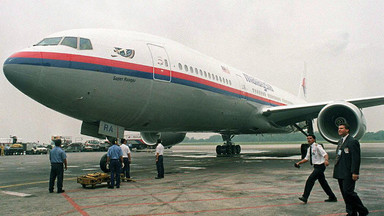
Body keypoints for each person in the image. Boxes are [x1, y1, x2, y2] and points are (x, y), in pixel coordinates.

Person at [333, 123, 369, 216]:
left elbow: (356, 158)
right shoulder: (340, 141)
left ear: (347, 130)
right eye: (338, 128)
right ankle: (351, 212)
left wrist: (355, 172)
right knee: (345, 194)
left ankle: (362, 210)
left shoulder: (352, 141)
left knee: (348, 192)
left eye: (341, 128)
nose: (339, 130)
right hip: (340, 171)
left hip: (348, 172)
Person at [295, 134, 337, 203]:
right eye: (308, 138)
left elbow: (325, 154)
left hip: (320, 166)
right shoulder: (309, 148)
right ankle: (332, 197)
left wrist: (326, 160)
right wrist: (299, 163)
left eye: (310, 138)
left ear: (314, 139)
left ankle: (305, 197)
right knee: (323, 183)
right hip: (316, 166)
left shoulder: (318, 146)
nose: (309, 140)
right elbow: (306, 158)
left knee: (310, 180)